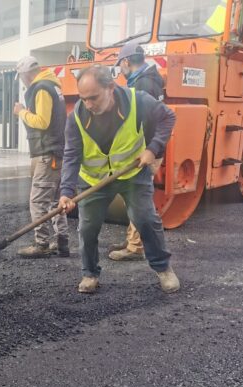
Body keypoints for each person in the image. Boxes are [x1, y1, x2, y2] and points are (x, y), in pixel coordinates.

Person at [58, 66, 180, 294]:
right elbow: (72, 155)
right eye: (83, 99)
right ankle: (89, 273)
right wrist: (66, 191)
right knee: (87, 228)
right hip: (94, 179)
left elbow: (167, 117)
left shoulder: (138, 102)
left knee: (145, 219)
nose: (88, 105)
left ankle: (163, 269)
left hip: (132, 173)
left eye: (93, 98)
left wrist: (153, 149)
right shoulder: (76, 117)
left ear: (111, 88)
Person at [108, 42, 166, 262]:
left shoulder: (143, 84)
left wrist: (141, 150)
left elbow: (145, 122)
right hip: (151, 148)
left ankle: (135, 247)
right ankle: (133, 240)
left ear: (126, 62)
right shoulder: (149, 80)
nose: (120, 71)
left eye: (120, 65)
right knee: (136, 196)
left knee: (137, 196)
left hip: (146, 150)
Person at [12, 56, 69, 258]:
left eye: (21, 77)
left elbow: (42, 121)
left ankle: (41, 243)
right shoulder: (53, 86)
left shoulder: (42, 88)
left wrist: (22, 112)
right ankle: (62, 242)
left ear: (27, 74)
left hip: (48, 153)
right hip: (55, 151)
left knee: (38, 201)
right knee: (55, 201)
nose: (22, 81)